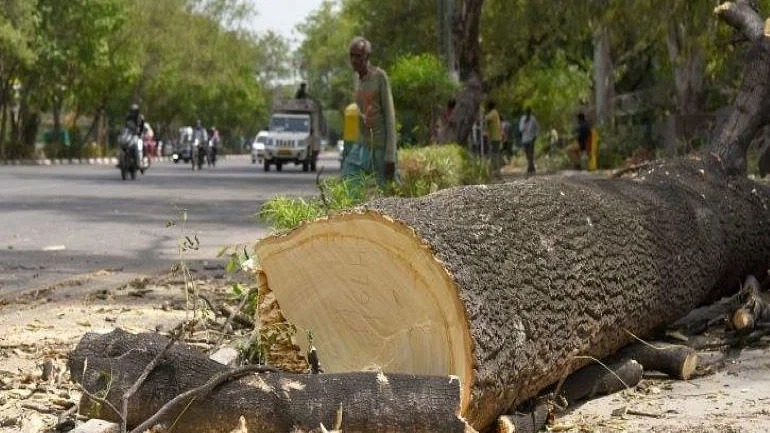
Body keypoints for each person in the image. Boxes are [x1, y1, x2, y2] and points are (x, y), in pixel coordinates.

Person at [342, 36, 398, 184]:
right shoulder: (357, 79)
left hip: (380, 146)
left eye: (358, 56)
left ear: (367, 56)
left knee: (387, 190)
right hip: (362, 145)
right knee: (348, 178)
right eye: (352, 56)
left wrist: (390, 156)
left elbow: (390, 115)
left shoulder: (379, 77)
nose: (354, 60)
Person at [518, 107, 539, 176]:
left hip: (531, 139)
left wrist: (535, 136)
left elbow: (537, 128)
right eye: (527, 113)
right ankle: (531, 167)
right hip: (524, 139)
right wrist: (525, 123)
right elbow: (521, 129)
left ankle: (530, 168)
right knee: (527, 154)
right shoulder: (523, 119)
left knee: (531, 154)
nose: (528, 114)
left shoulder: (533, 119)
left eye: (529, 113)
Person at [484, 100, 503, 177]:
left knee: (494, 154)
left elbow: (486, 118)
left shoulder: (493, 113)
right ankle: (496, 171)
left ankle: (495, 171)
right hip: (495, 136)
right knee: (495, 153)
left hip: (495, 137)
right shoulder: (495, 113)